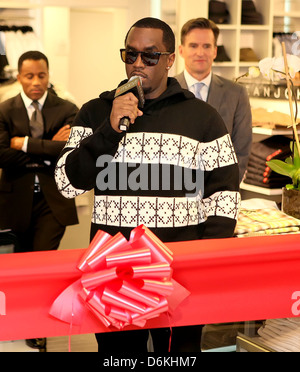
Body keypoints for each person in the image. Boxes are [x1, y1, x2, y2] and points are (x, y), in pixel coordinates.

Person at [55, 17, 240, 352]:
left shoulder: (202, 117)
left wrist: (202, 265)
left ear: (170, 60)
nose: (138, 63)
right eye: (131, 54)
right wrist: (108, 131)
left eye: (150, 56)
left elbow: (224, 196)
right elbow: (67, 184)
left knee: (180, 356)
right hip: (113, 273)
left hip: (178, 274)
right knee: (119, 356)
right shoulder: (96, 112)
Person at [0, 51, 79, 348]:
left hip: (53, 201)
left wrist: (25, 144)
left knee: (43, 264)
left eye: (41, 75)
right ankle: (22, 320)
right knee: (21, 266)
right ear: (19, 77)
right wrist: (46, 151)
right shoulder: (4, 110)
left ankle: (38, 328)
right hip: (14, 201)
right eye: (29, 76)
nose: (36, 82)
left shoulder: (68, 108)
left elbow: (70, 151)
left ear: (48, 75)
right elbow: (0, 154)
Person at [175, 18, 252, 183]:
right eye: (193, 46)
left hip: (221, 190)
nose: (200, 53)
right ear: (181, 50)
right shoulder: (167, 90)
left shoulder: (236, 93)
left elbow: (241, 150)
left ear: (215, 51)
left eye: (207, 46)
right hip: (174, 191)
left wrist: (225, 190)